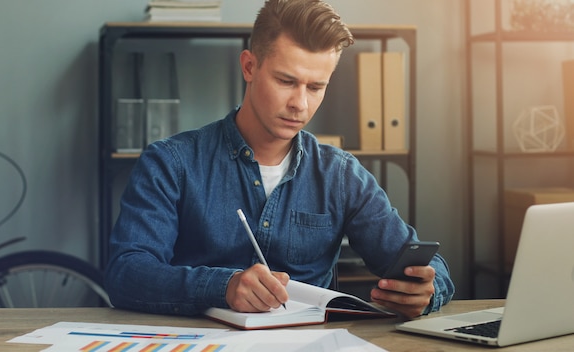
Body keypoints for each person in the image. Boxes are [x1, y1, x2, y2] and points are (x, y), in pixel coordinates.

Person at [105, 0, 454, 319]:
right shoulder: (171, 162)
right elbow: (126, 273)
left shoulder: (341, 175)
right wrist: (223, 287)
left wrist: (427, 289)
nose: (300, 104)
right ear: (249, 67)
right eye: (286, 81)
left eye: (316, 87)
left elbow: (426, 264)